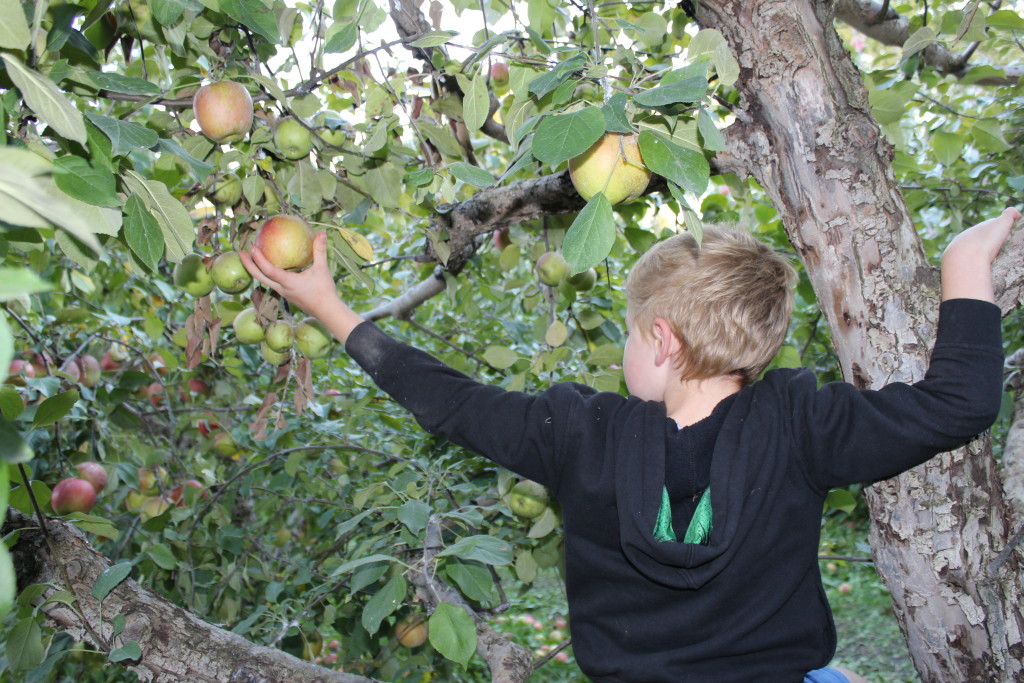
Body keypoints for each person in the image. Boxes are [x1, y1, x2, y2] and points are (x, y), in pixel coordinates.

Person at [241, 207, 1019, 682]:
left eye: (627, 329)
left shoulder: (577, 433)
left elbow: (451, 402)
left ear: (661, 338)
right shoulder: (805, 424)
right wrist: (962, 266)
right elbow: (959, 403)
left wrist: (332, 309)